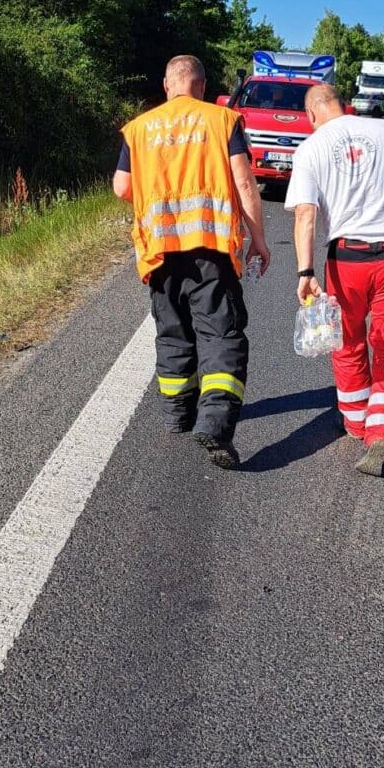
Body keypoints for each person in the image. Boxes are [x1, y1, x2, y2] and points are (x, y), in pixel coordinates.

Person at [112, 54, 270, 470]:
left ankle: (178, 415)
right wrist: (258, 240)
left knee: (173, 332)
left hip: (160, 251)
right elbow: (243, 181)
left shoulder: (139, 128)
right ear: (202, 86)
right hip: (209, 247)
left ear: (167, 86)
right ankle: (214, 422)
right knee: (220, 334)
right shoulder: (222, 120)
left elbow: (121, 187)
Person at [285, 84, 384, 477]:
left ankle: (356, 422)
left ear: (311, 115)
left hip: (347, 259)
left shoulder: (311, 148)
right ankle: (381, 432)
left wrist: (305, 272)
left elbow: (305, 214)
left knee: (347, 340)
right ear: (344, 105)